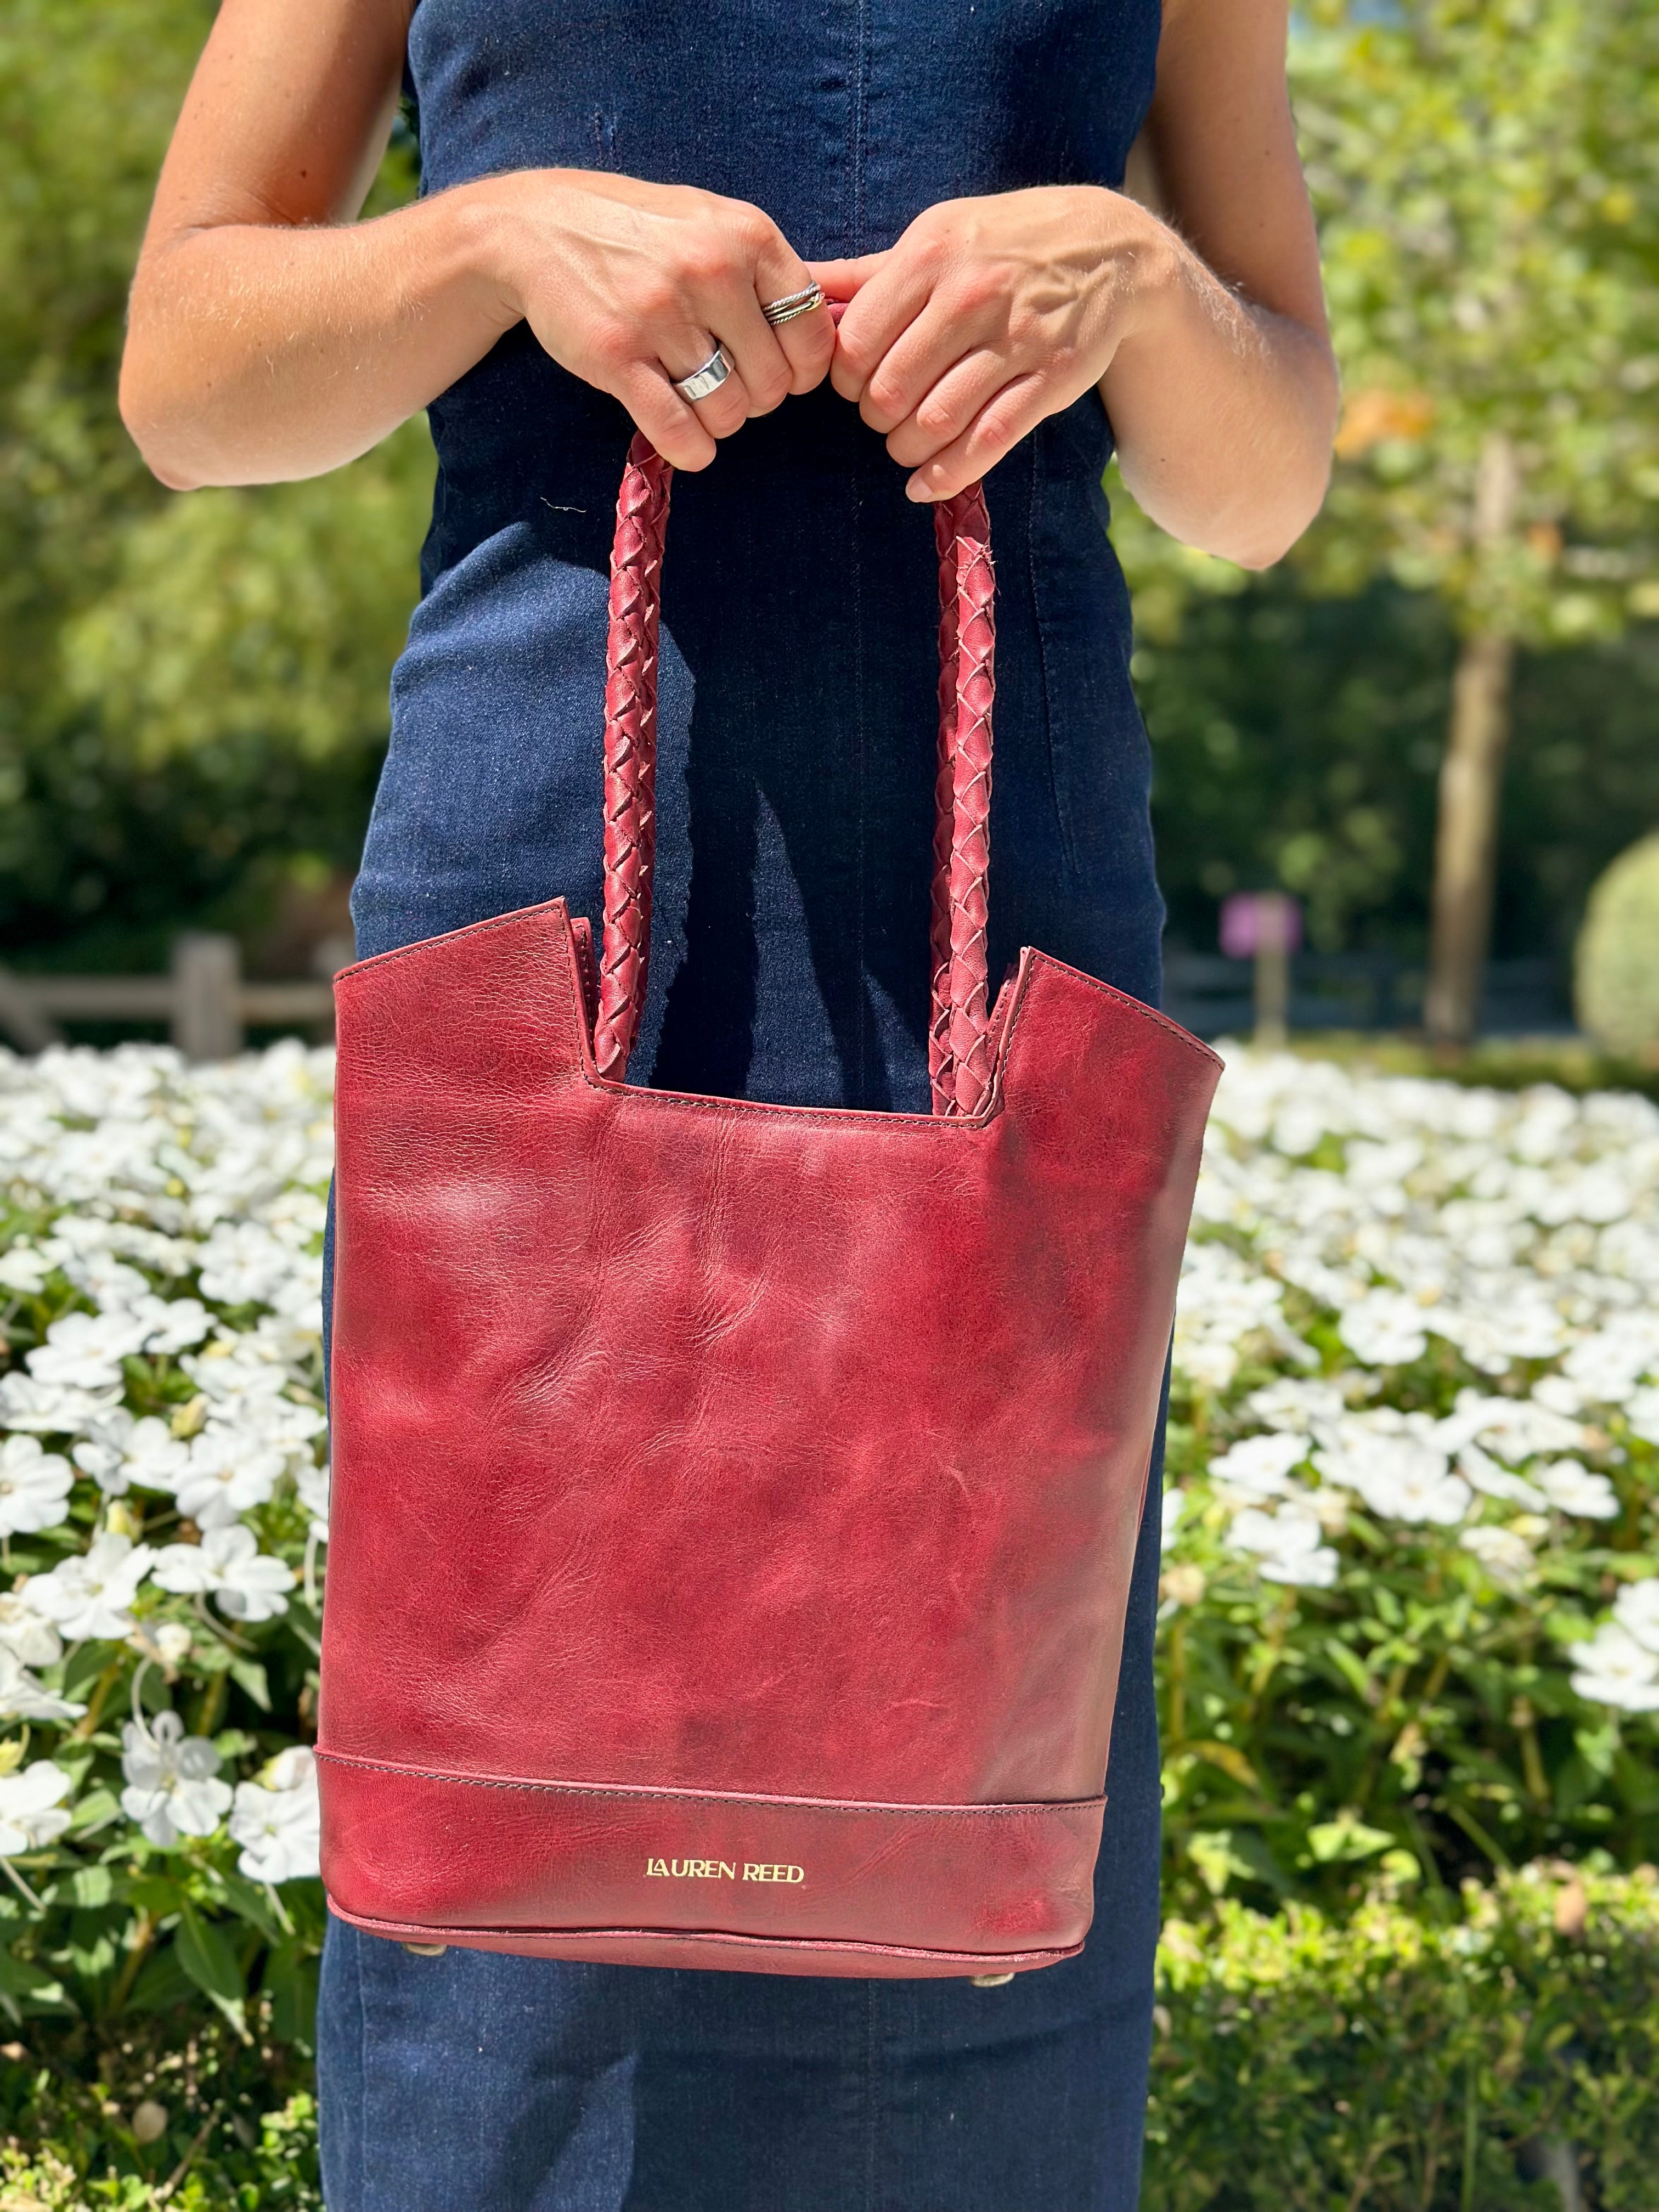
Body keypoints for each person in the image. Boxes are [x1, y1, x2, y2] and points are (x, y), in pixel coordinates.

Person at [120, 1, 1336, 2203]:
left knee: (965, 1815)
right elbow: (190, 383)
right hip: (556, 881)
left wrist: (1143, 286)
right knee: (510, 1847)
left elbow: (1265, 478)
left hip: (997, 892)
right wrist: (490, 242)